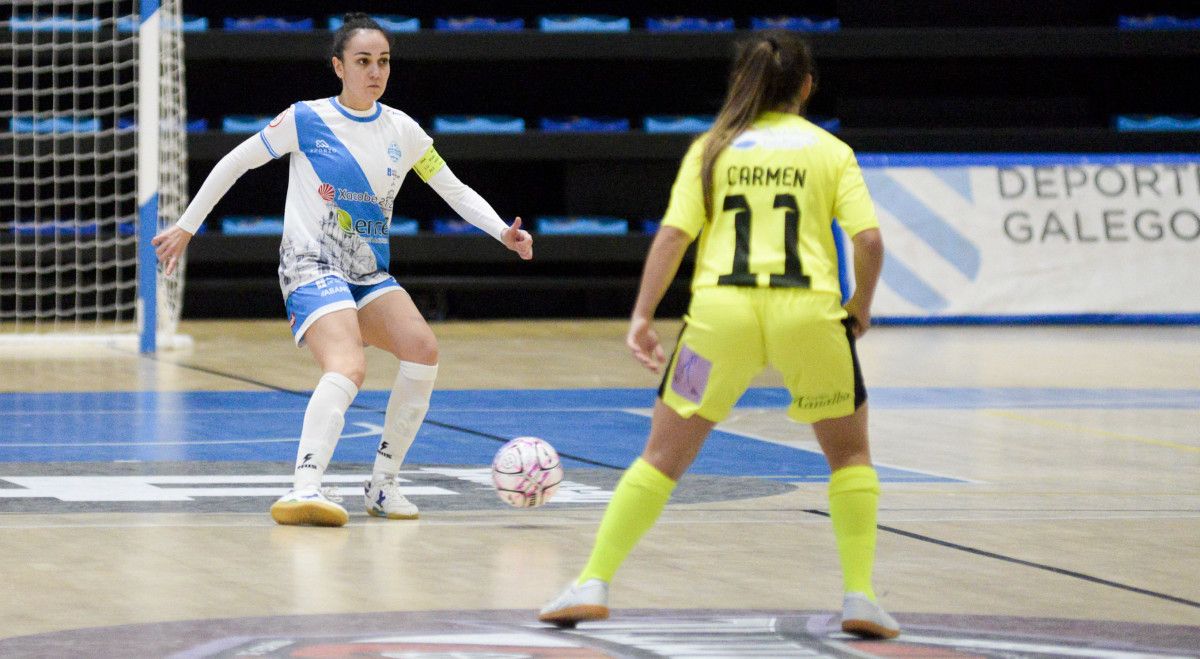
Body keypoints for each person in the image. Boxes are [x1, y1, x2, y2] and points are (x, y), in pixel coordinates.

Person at [537, 30, 898, 639]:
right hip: (808, 314)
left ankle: (593, 581)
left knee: (662, 457)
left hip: (719, 320)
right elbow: (868, 241)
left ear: (743, 82)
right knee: (850, 457)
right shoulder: (830, 150)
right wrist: (857, 309)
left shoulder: (713, 147)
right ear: (806, 87)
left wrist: (642, 316)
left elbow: (674, 236)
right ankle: (860, 595)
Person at [152, 13, 533, 528]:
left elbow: (454, 189)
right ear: (338, 66)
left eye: (383, 62)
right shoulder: (305, 120)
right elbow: (235, 163)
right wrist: (187, 226)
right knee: (348, 365)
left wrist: (501, 233)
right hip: (310, 264)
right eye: (362, 61)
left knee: (422, 349)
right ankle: (305, 485)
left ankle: (382, 484)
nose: (375, 72)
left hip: (368, 273)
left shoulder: (404, 130)